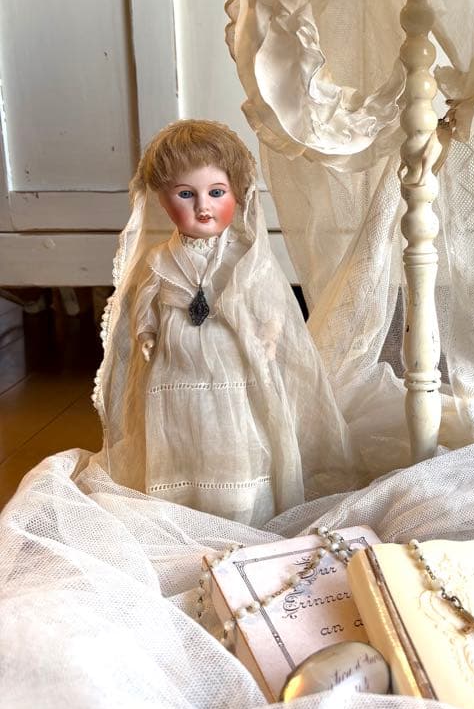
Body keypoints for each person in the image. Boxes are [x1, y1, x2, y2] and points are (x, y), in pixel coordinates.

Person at [93, 119, 350, 524]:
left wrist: (269, 331)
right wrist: (146, 332)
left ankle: (240, 501)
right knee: (180, 427)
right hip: (176, 365)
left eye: (216, 192)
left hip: (233, 358)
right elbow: (145, 302)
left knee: (234, 427)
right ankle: (183, 500)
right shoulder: (160, 259)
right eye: (185, 194)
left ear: (238, 194)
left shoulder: (244, 255)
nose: (203, 206)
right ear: (163, 199)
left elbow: (268, 297)